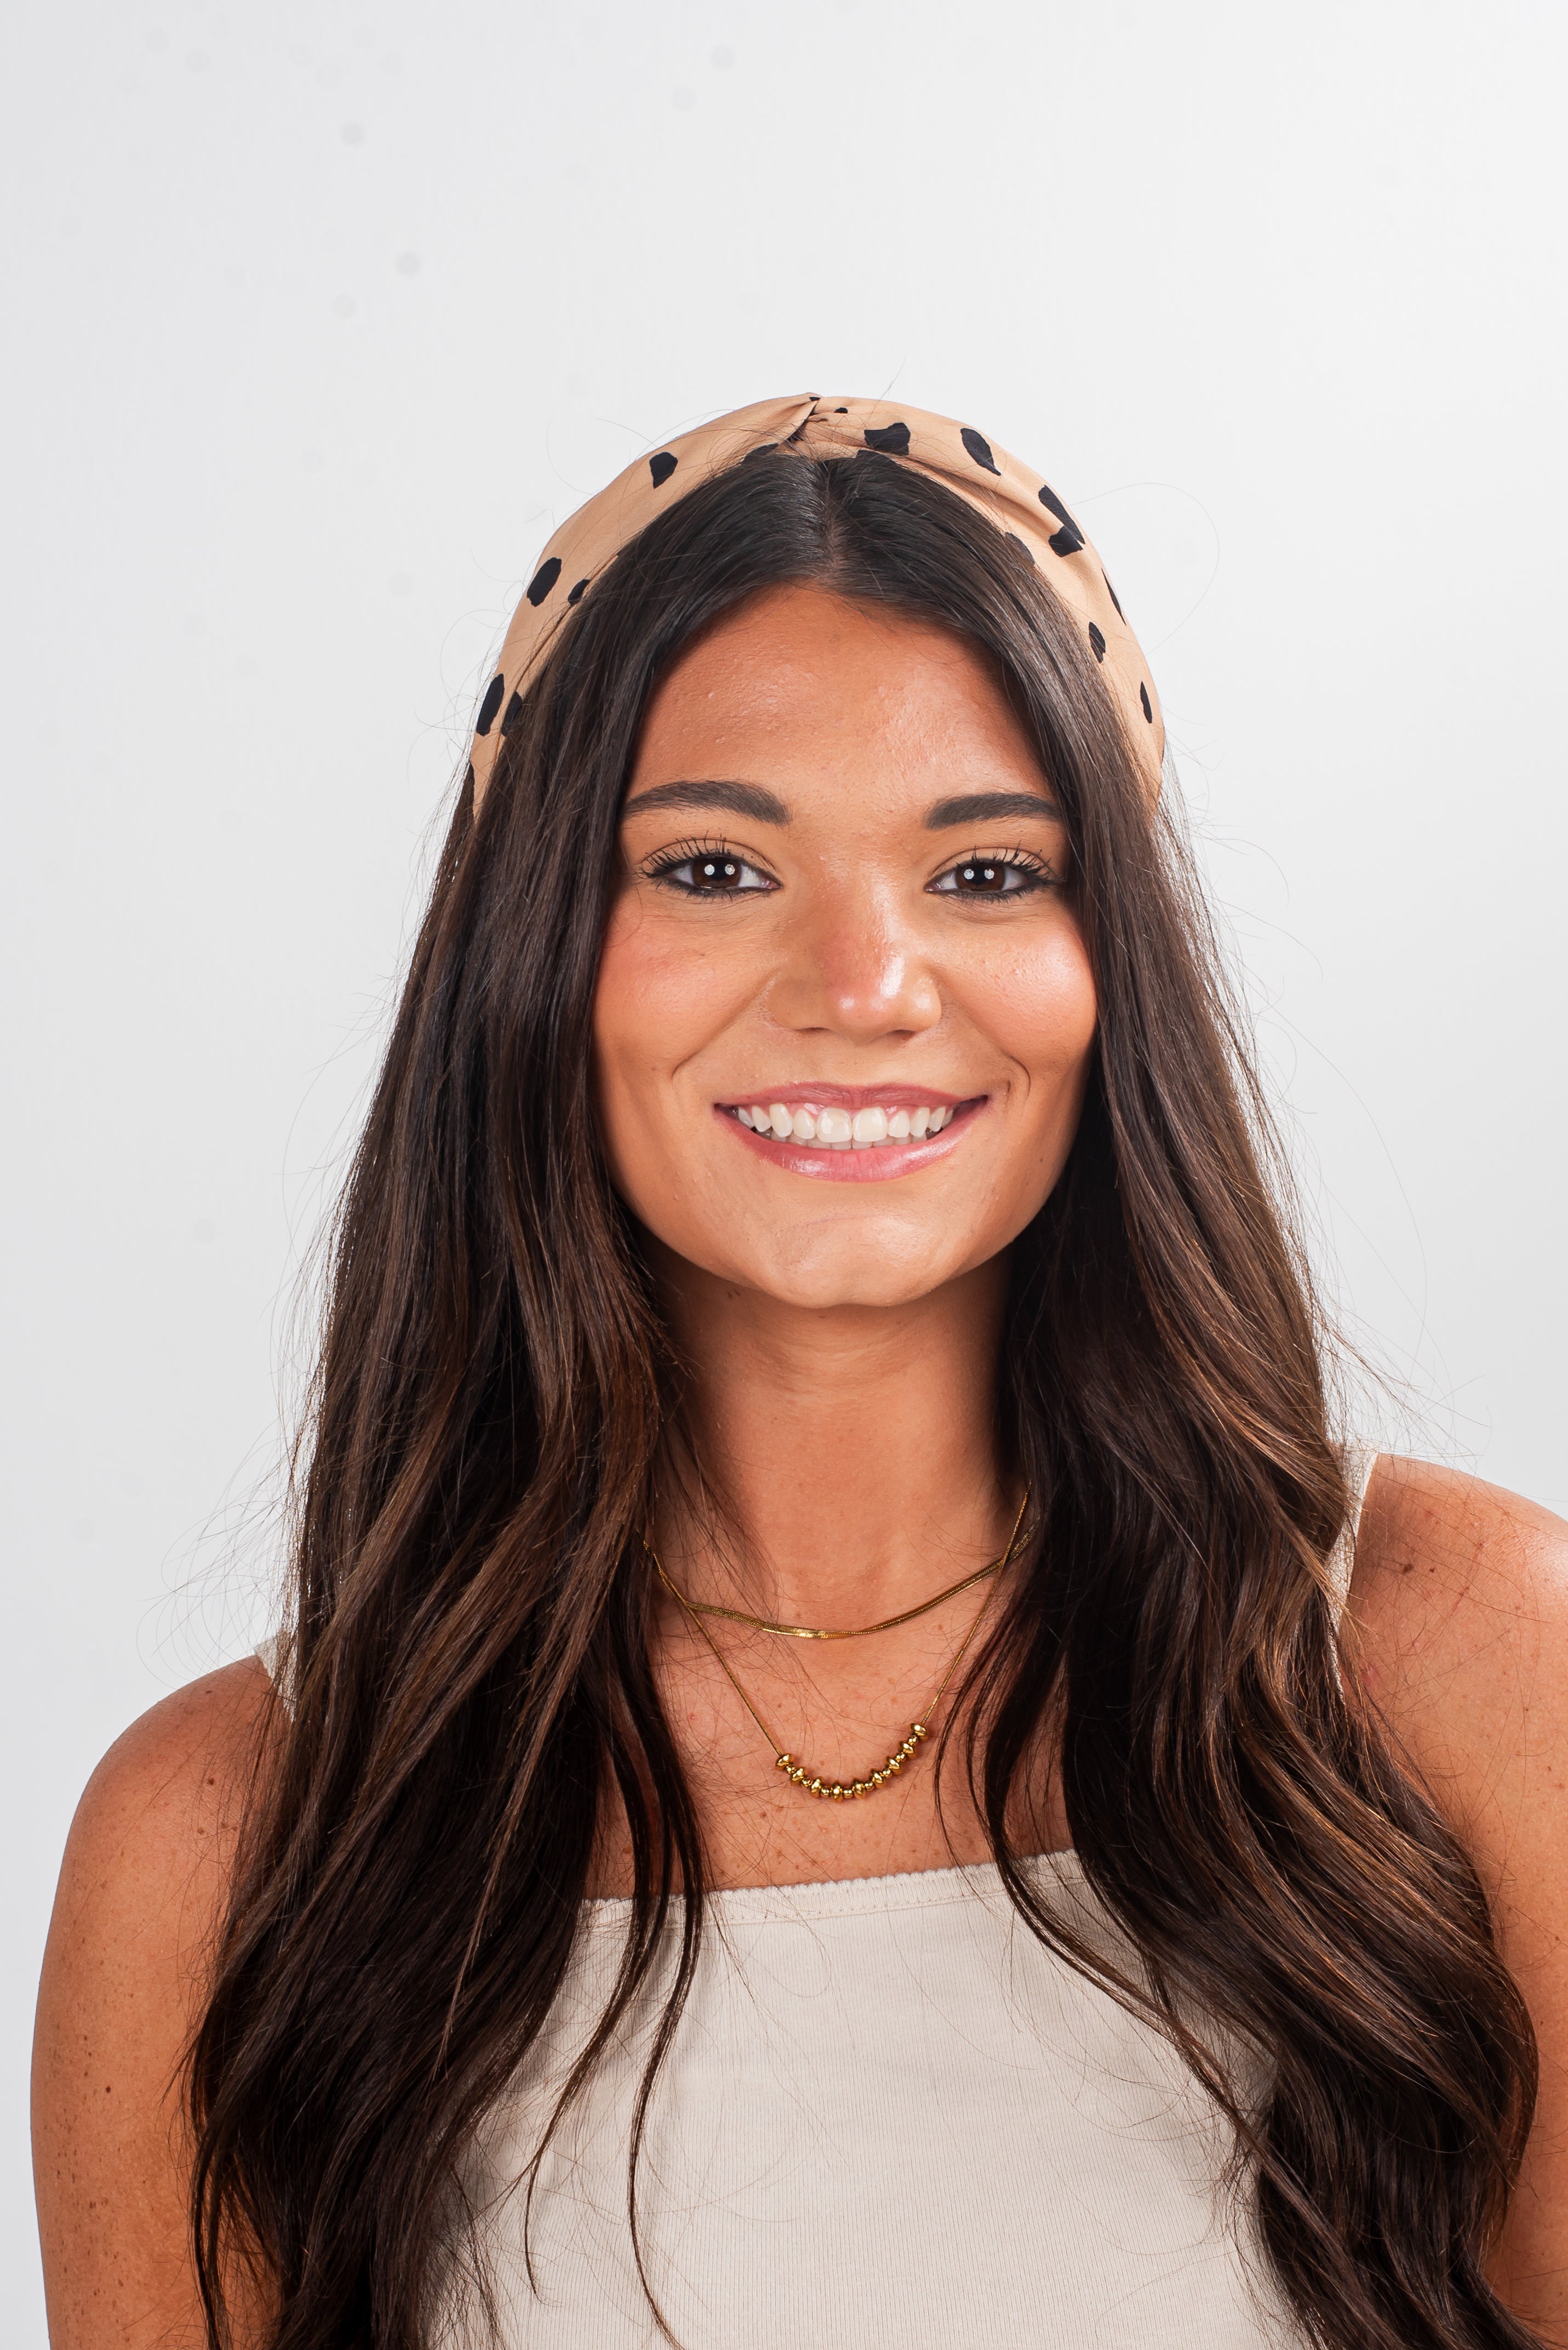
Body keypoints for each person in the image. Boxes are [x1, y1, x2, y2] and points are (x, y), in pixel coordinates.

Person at [32, 396, 1568, 2350]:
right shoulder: (224, 1841)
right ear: (534, 954)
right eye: (714, 870)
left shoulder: (1464, 1665)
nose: (862, 983)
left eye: (990, 873)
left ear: (1117, 973)